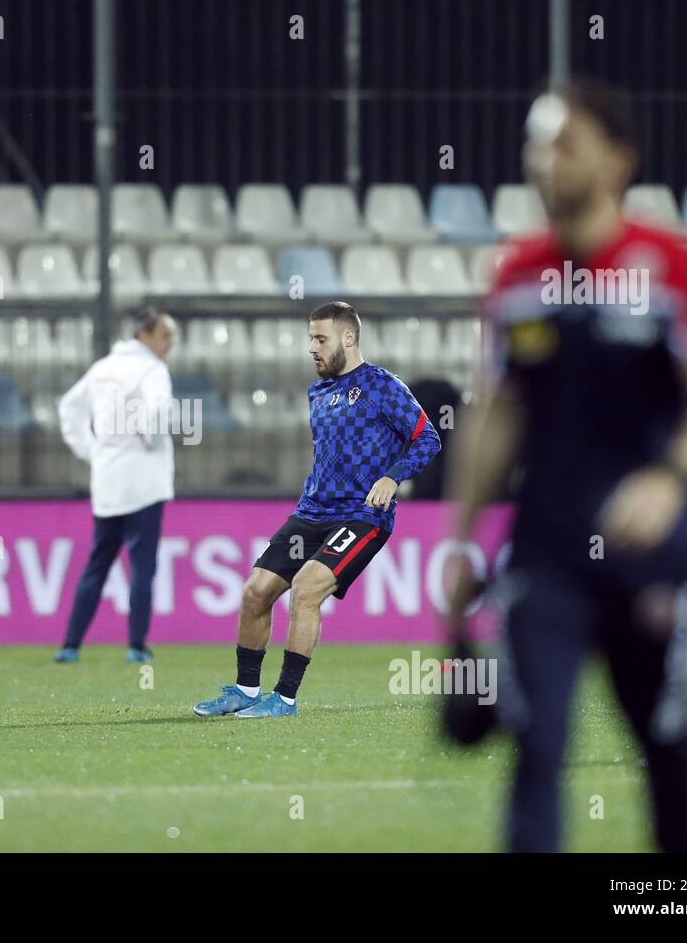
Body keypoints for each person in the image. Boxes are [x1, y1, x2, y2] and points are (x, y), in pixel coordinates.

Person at [445, 79, 687, 852]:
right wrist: (460, 537)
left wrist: (670, 478)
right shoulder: (516, 276)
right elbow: (498, 413)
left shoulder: (673, 265)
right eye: (536, 145)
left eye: (563, 144)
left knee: (666, 747)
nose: (544, 162)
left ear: (618, 160)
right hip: (546, 556)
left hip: (651, 554)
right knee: (535, 745)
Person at [193, 301, 441, 718]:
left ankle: (284, 699)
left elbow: (428, 438)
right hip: (312, 512)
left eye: (320, 338)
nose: (312, 347)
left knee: (307, 589)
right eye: (310, 338)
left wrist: (393, 476)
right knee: (255, 592)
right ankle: (245, 690)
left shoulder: (383, 385)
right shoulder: (318, 392)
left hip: (362, 516)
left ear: (348, 338)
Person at [54, 306, 177, 664]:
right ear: (145, 335)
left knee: (98, 562)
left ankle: (71, 645)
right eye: (165, 335)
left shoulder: (104, 368)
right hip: (144, 482)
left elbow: (68, 408)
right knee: (142, 567)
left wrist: (91, 450)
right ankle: (137, 646)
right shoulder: (153, 370)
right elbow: (159, 411)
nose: (170, 343)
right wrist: (150, 440)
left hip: (107, 481)